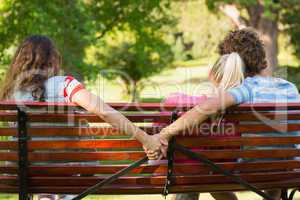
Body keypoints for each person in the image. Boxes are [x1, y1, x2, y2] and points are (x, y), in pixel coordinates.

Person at [146, 28, 300, 200]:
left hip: (248, 171)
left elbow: (206, 107)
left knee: (205, 167)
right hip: (289, 169)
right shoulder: (289, 87)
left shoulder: (245, 89)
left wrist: (164, 133)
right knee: (274, 160)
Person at [0, 35, 160, 200]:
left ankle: (46, 195)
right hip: (66, 174)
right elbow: (104, 111)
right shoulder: (64, 85)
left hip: (22, 174)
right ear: (52, 60)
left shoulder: (10, 93)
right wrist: (145, 138)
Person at [161, 53, 244, 200]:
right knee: (209, 175)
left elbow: (169, 102)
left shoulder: (193, 104)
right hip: (225, 174)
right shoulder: (243, 108)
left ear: (211, 74)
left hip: (189, 174)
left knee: (192, 173)